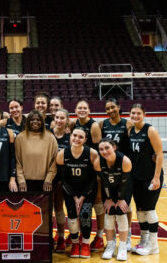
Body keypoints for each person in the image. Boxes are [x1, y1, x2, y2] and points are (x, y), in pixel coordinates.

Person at [56, 127, 98, 259]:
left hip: (88, 190)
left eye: (81, 137)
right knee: (73, 217)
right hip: (70, 190)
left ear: (85, 140)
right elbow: (63, 179)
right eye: (74, 135)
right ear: (70, 136)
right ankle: (75, 244)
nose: (77, 139)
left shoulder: (92, 153)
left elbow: (94, 179)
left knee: (85, 215)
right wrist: (74, 196)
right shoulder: (62, 154)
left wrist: (83, 196)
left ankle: (85, 244)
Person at [128, 103, 164, 256]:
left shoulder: (150, 130)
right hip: (137, 177)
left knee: (149, 210)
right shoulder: (131, 131)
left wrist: (156, 178)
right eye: (133, 113)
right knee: (140, 211)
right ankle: (144, 242)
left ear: (144, 114)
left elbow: (160, 154)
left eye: (138, 113)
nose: (135, 116)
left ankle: (154, 246)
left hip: (150, 177)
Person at [98, 98, 133, 250]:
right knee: (109, 203)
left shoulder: (128, 124)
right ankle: (110, 242)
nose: (110, 110)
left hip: (124, 166)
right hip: (108, 167)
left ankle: (128, 235)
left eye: (113, 107)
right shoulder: (102, 124)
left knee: (126, 204)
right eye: (107, 108)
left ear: (119, 107)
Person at [70, 100, 104, 251]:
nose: (82, 110)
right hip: (77, 168)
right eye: (79, 108)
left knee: (97, 201)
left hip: (91, 168)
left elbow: (100, 151)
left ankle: (99, 236)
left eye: (85, 108)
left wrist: (98, 173)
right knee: (78, 205)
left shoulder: (94, 126)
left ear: (89, 110)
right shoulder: (73, 124)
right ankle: (77, 235)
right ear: (75, 110)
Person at [95, 139, 132, 261]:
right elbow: (104, 182)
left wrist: (121, 199)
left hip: (124, 188)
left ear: (114, 147)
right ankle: (110, 245)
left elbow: (124, 183)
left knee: (121, 213)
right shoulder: (98, 162)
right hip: (109, 189)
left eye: (107, 148)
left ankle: (122, 246)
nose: (104, 151)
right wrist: (109, 199)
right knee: (109, 213)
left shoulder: (125, 161)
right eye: (101, 149)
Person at [15, 110, 58, 192]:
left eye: (38, 120)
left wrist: (49, 179)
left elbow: (54, 161)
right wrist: (21, 180)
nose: (35, 122)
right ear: (28, 122)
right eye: (32, 119)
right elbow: (17, 161)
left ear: (42, 122)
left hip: (45, 183)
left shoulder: (50, 138)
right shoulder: (20, 138)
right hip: (25, 184)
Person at [51, 109, 71, 252]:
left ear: (67, 120)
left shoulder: (70, 137)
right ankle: (47, 236)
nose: (59, 120)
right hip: (46, 177)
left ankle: (61, 237)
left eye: (62, 118)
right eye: (57, 117)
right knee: (46, 210)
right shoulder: (47, 135)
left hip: (62, 179)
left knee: (59, 209)